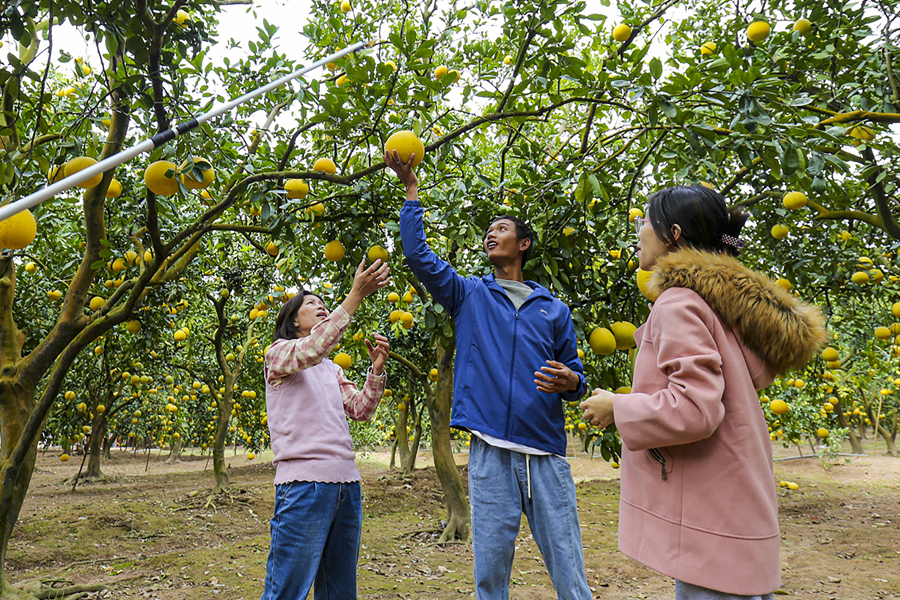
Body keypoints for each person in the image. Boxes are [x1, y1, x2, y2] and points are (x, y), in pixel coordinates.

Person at [580, 185, 827, 600]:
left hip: (708, 512)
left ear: (672, 234)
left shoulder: (679, 302)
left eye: (645, 221)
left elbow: (695, 409)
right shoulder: (723, 307)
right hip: (736, 504)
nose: (638, 229)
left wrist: (617, 406)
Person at [387, 150, 593, 600]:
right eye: (487, 231)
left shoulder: (554, 311)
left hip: (545, 455)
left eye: (500, 229)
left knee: (569, 569)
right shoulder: (469, 295)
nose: (490, 235)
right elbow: (418, 255)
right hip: (491, 453)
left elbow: (576, 374)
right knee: (490, 574)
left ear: (523, 244)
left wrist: (572, 383)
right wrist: (410, 191)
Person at [261, 258, 391, 600]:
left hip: (346, 486)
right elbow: (314, 347)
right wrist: (355, 296)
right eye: (311, 304)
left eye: (323, 303)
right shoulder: (278, 356)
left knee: (340, 590)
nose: (320, 306)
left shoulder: (331, 370)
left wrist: (375, 372)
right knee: (287, 588)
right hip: (304, 486)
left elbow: (360, 409)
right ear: (292, 321)